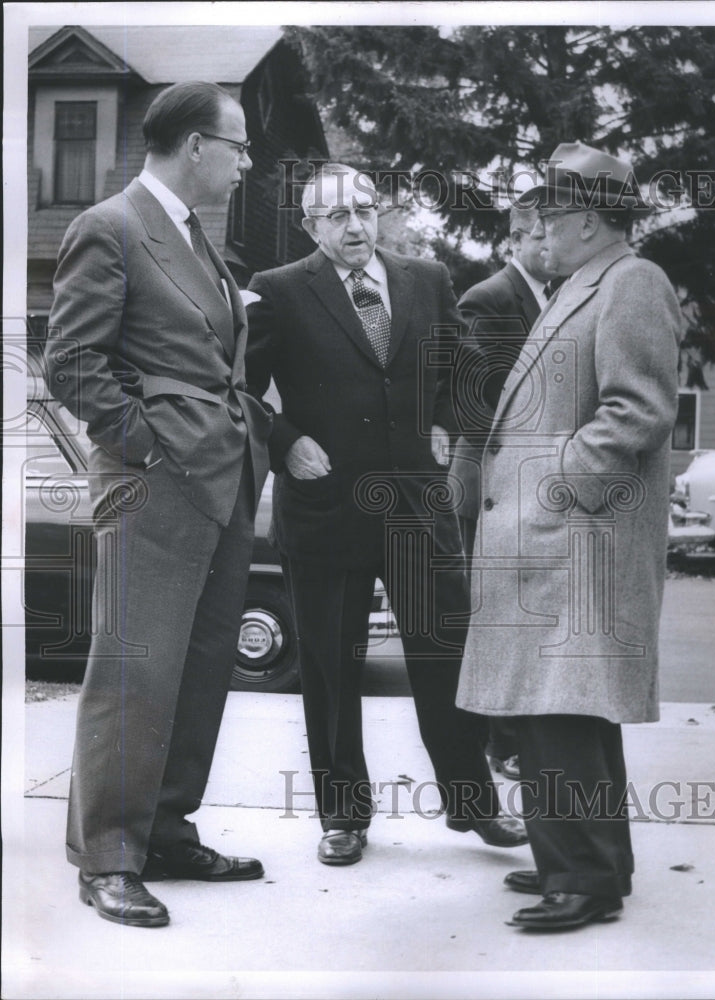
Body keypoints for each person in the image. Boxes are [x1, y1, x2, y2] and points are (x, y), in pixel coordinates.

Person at [244, 163, 527, 866]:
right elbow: (238, 392)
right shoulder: (279, 291)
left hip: (416, 509)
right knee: (332, 667)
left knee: (444, 653)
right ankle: (343, 816)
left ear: (380, 214)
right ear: (310, 226)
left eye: (365, 210)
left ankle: (474, 805)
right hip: (325, 506)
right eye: (335, 215)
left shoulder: (424, 279)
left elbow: (460, 375)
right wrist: (285, 442)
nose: (353, 226)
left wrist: (490, 417)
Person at [45, 82, 273, 928]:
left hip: (221, 483)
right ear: (193, 147)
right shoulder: (109, 226)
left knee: (203, 668)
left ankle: (166, 832)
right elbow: (69, 363)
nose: (247, 162)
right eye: (238, 146)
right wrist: (150, 444)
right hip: (156, 483)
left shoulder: (197, 241)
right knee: (133, 670)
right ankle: (107, 857)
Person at [456, 142, 682, 931]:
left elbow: (639, 410)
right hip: (563, 540)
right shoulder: (585, 284)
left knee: (560, 712)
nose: (539, 229)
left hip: (574, 538)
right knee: (561, 712)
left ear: (588, 220)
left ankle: (581, 878)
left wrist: (552, 487)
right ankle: (587, 863)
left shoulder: (630, 283)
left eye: (550, 215)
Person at [450, 204, 560, 780]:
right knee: (495, 612)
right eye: (542, 234)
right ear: (515, 237)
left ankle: (512, 739)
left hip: (531, 479)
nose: (553, 244)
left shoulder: (554, 295)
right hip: (490, 476)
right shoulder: (490, 298)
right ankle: (500, 744)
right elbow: (484, 401)